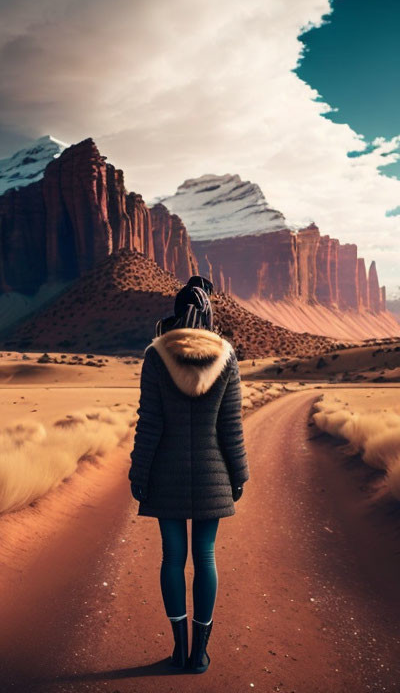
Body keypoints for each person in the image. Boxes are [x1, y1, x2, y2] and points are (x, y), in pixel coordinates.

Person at [128, 276, 249, 674]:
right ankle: (200, 654)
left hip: (166, 473)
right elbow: (231, 426)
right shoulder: (226, 357)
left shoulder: (156, 355)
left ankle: (179, 649)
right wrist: (238, 474)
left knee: (172, 557)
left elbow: (150, 423)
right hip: (213, 474)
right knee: (206, 556)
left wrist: (139, 471)